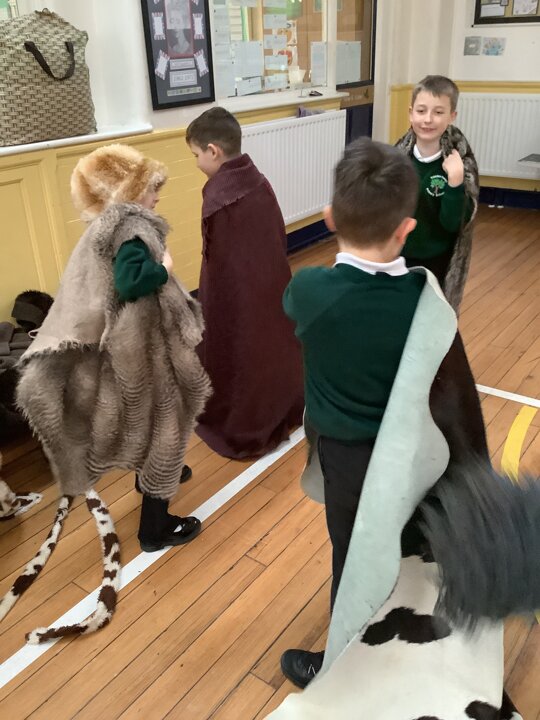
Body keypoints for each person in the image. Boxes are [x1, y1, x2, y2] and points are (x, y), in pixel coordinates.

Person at [278, 137, 495, 692]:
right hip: (413, 458)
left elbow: (298, 308)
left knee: (354, 559)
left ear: (330, 218)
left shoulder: (309, 290)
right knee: (406, 550)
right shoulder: (425, 302)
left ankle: (341, 668)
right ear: (407, 229)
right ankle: (412, 649)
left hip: (347, 461)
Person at [17, 144, 211, 555]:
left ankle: (151, 477)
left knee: (151, 421)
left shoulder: (106, 225)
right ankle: (155, 528)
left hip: (131, 345)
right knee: (167, 426)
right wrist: (164, 269)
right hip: (144, 348)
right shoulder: (130, 227)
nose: (157, 196)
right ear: (129, 192)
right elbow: (131, 282)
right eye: (151, 188)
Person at [185, 107, 304, 459]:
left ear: (213, 151)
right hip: (272, 284)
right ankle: (284, 403)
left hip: (239, 294)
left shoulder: (220, 197)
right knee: (273, 343)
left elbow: (220, 264)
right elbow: (277, 235)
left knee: (241, 348)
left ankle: (247, 417)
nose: (196, 163)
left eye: (196, 155)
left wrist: (217, 304)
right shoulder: (258, 179)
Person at [395, 75, 479, 311]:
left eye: (439, 112)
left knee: (431, 319)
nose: (428, 119)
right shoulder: (396, 160)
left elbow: (453, 224)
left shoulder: (460, 165)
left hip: (437, 263)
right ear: (411, 113)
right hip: (397, 258)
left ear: (452, 116)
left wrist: (455, 182)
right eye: (421, 111)